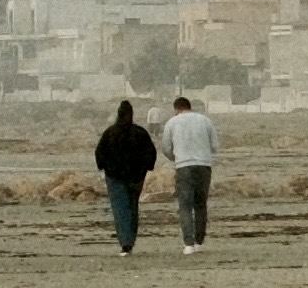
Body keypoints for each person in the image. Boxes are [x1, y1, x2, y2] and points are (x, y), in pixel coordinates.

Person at [91, 98, 158, 252]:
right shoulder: (140, 133)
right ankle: (130, 239)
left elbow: (100, 153)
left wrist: (103, 167)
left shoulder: (110, 133)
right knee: (133, 207)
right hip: (136, 176)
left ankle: (125, 242)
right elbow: (151, 152)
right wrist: (147, 168)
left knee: (120, 208)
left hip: (115, 176)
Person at [162, 93, 219, 248]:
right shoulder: (205, 121)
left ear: (176, 109)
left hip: (183, 166)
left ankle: (188, 243)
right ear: (189, 106)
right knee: (200, 204)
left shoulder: (172, 123)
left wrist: (176, 157)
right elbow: (215, 146)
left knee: (185, 205)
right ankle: (199, 241)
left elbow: (166, 147)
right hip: (204, 165)